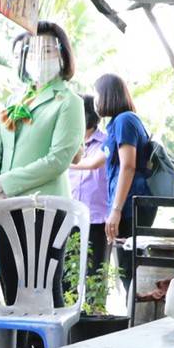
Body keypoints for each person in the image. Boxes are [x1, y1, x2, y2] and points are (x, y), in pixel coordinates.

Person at [0, 20, 85, 348]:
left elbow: (59, 159)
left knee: (45, 289)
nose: (39, 58)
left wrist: (7, 182)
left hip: (45, 209)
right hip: (7, 209)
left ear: (62, 55)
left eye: (47, 49)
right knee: (12, 287)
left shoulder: (68, 101)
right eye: (32, 50)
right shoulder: (17, 99)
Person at [94, 73, 157, 286]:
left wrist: (116, 210)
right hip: (128, 203)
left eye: (97, 94)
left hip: (132, 205)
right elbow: (99, 161)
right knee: (126, 270)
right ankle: (134, 317)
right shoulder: (118, 123)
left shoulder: (125, 120)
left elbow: (128, 166)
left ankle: (136, 319)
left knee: (129, 269)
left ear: (106, 95)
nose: (95, 100)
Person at [67, 93, 110, 276]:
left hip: (97, 218)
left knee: (95, 274)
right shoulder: (67, 142)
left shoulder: (106, 142)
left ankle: (93, 307)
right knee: (65, 275)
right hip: (68, 216)